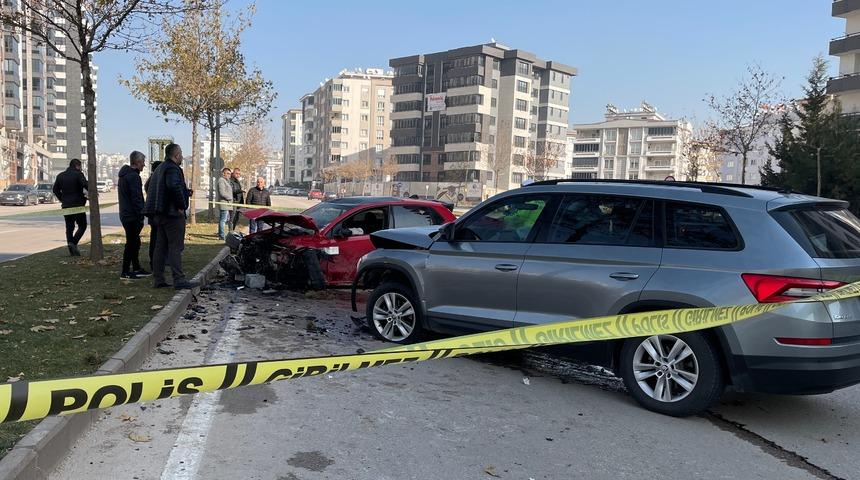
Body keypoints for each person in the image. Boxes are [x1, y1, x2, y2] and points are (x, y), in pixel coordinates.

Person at [144, 144, 197, 290]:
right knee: (175, 247)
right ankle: (179, 280)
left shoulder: (160, 168)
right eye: (180, 155)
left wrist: (184, 192)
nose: (181, 157)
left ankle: (159, 279)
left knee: (160, 247)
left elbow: (156, 188)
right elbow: (173, 186)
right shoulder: (173, 168)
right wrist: (181, 205)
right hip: (172, 214)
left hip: (159, 214)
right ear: (176, 155)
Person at [118, 151, 150, 279]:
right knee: (131, 243)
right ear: (137, 162)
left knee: (135, 242)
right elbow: (136, 198)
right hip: (132, 216)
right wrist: (142, 213)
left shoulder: (124, 175)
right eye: (142, 163)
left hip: (126, 214)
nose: (143, 166)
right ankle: (125, 272)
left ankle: (136, 267)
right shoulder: (133, 177)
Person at [52, 158, 88, 256]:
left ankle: (72, 251)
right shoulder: (78, 174)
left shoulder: (60, 176)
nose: (80, 169)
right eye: (80, 167)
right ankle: (74, 242)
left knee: (69, 228)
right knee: (82, 225)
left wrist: (62, 199)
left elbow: (55, 189)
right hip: (78, 205)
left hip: (66, 205)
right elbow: (85, 184)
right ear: (77, 166)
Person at [145, 160, 162, 271]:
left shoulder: (150, 181)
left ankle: (156, 261)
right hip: (155, 215)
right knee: (156, 240)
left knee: (155, 239)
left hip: (153, 215)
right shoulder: (154, 181)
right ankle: (155, 262)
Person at [216, 167, 233, 239]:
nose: (229, 175)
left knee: (224, 219)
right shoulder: (221, 180)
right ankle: (222, 235)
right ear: (223, 173)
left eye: (230, 174)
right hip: (224, 203)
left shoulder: (226, 181)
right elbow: (222, 192)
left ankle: (221, 234)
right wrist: (230, 198)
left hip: (227, 204)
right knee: (223, 220)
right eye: (228, 173)